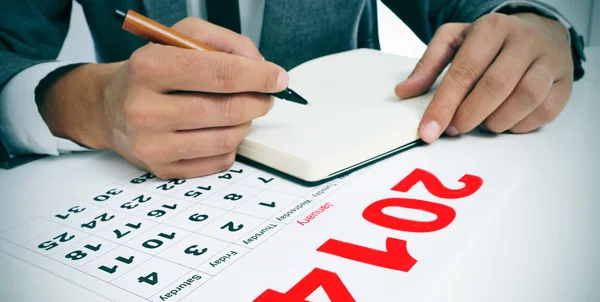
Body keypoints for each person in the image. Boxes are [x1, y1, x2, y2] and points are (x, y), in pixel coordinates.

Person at [0, 0, 586, 178]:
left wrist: (536, 24)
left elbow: (476, 5)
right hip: (143, 176)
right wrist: (81, 100)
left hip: (366, 174)